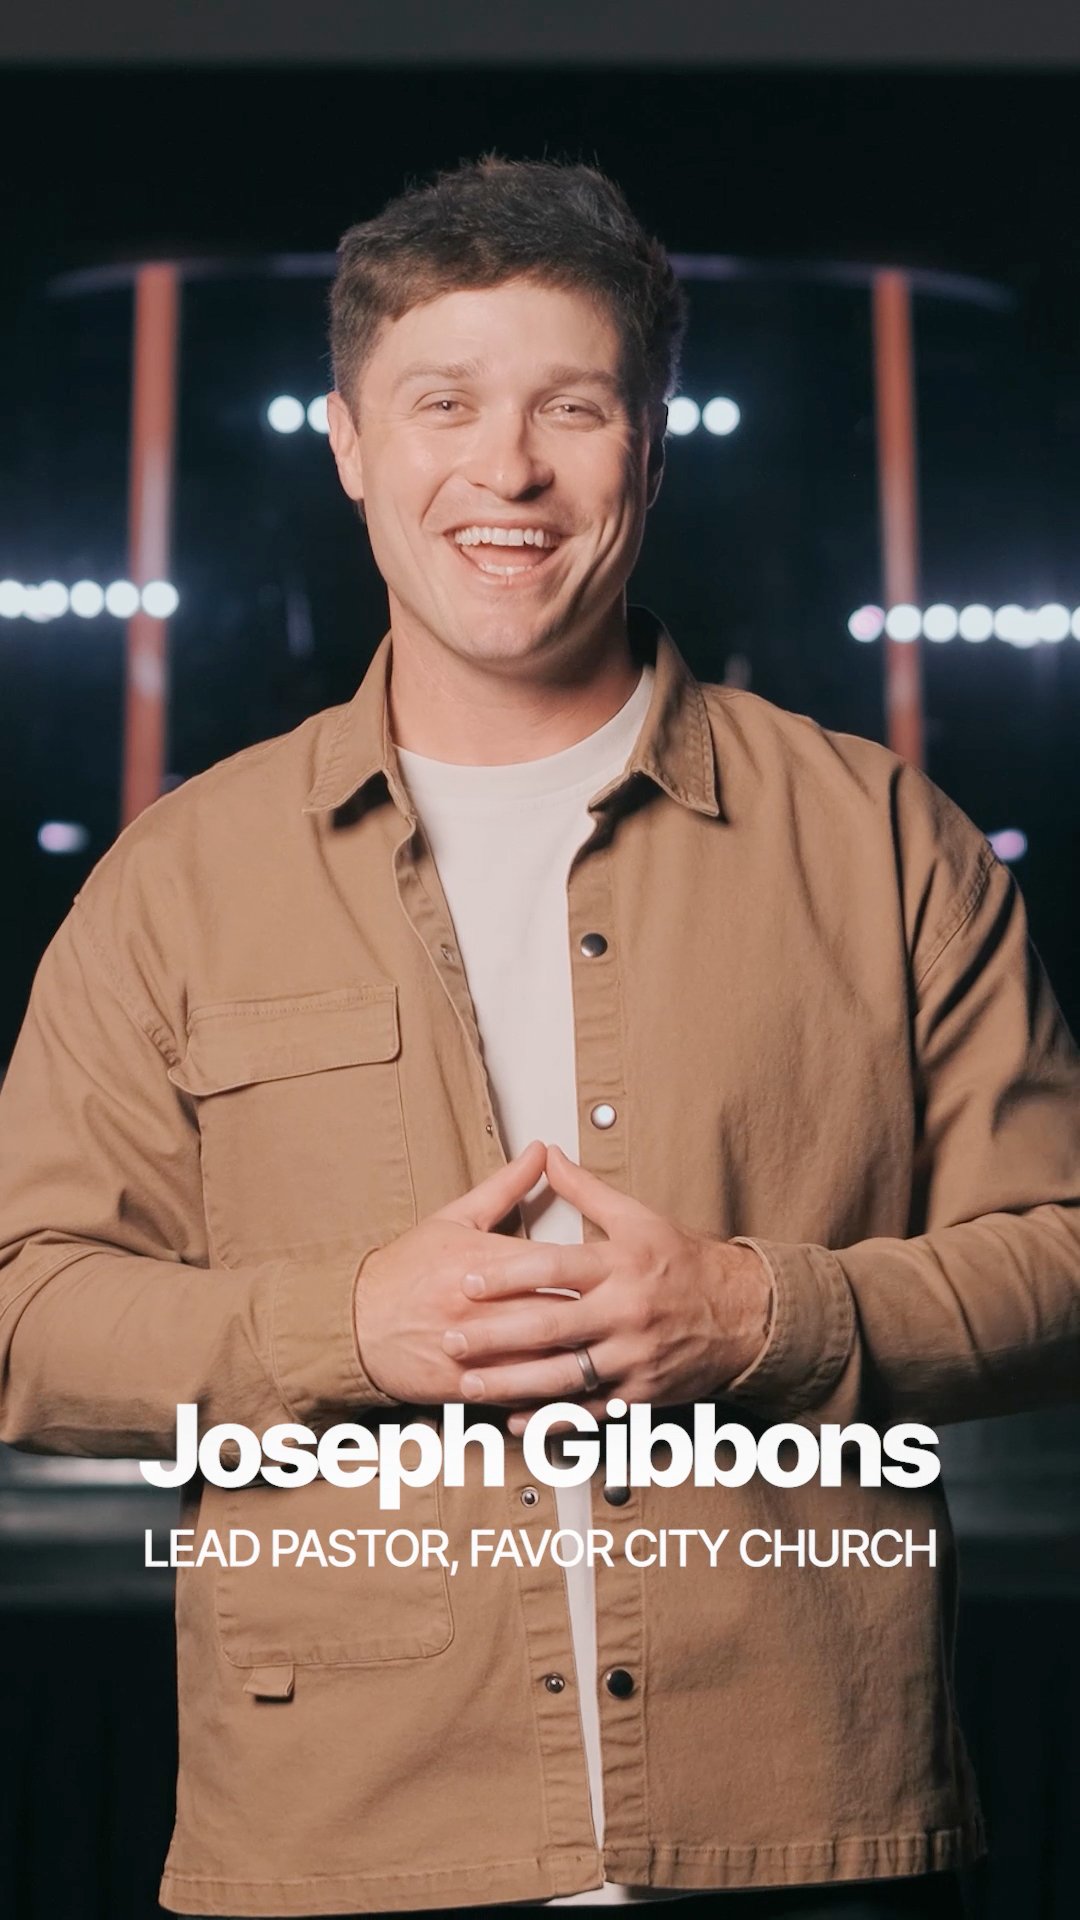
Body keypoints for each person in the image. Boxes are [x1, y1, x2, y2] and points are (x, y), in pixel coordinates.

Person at [0, 156, 1078, 1920]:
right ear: (350, 443)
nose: (506, 471)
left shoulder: (884, 837)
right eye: (445, 405)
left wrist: (766, 1312)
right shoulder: (177, 879)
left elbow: (1066, 1256)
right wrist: (342, 1323)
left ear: (651, 447)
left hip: (808, 1819)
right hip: (347, 1835)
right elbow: (22, 1307)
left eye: (572, 409)